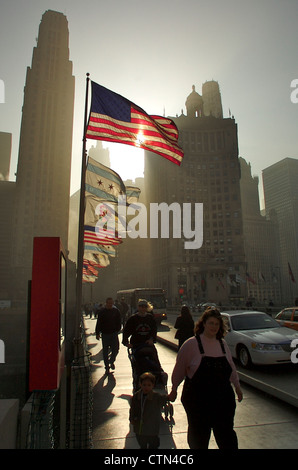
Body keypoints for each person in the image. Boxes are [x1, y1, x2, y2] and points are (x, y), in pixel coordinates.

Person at [168, 306, 243, 449]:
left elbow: (231, 367)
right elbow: (180, 369)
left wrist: (237, 387)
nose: (214, 327)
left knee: (226, 436)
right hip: (198, 401)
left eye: (217, 324)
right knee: (199, 438)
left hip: (222, 400)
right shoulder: (191, 344)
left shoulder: (222, 344)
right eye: (211, 323)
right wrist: (174, 388)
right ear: (203, 324)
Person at [129, 372, 172, 449]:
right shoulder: (136, 397)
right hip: (139, 427)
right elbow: (132, 409)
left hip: (152, 427)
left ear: (153, 385)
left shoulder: (156, 397)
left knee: (154, 444)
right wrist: (132, 419)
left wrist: (169, 397)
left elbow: (163, 399)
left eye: (149, 385)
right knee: (142, 443)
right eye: (144, 385)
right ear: (140, 384)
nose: (146, 387)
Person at [95, 297, 122, 374]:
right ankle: (107, 367)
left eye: (111, 303)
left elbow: (119, 321)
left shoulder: (116, 311)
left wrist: (118, 329)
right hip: (105, 334)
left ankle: (112, 360)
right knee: (105, 351)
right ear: (106, 303)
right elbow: (99, 323)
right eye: (109, 303)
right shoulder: (102, 312)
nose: (110, 305)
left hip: (114, 333)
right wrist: (97, 333)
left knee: (116, 349)